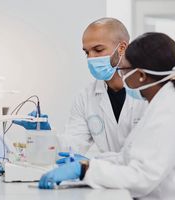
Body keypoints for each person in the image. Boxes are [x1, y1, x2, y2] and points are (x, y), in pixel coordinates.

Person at [38, 32, 175, 200]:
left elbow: (142, 178)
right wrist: (89, 164)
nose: (122, 75)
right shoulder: (160, 104)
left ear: (142, 76)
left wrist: (85, 170)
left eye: (124, 70)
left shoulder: (170, 112)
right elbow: (128, 157)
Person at [15, 18, 147, 163]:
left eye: (98, 50)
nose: (91, 58)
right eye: (87, 52)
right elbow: (72, 145)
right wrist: (44, 134)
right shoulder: (86, 97)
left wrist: (93, 166)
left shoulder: (146, 91)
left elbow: (150, 154)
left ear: (121, 48)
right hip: (110, 180)